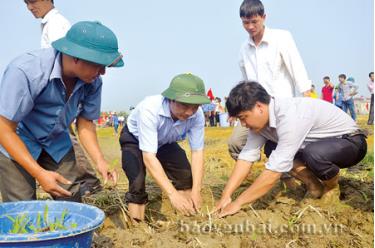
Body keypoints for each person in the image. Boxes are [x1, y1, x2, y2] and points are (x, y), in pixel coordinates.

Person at [0, 21, 123, 202]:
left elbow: (85, 123)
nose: (103, 72)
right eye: (99, 65)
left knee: (71, 198)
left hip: (57, 142)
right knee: (23, 208)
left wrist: (100, 161)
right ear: (76, 57)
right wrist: (39, 173)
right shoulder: (26, 71)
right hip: (18, 140)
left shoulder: (93, 82)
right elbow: (4, 128)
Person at [215, 82, 367, 217]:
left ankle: (331, 188)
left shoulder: (290, 116)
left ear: (259, 107)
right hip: (317, 146)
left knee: (313, 153)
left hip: (351, 143)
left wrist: (238, 203)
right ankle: (314, 186)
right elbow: (246, 158)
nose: (243, 124)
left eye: (243, 117)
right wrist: (226, 195)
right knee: (272, 147)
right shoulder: (260, 125)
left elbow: (274, 171)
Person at [229, 0, 312, 188]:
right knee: (235, 142)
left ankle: (291, 179)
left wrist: (307, 94)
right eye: (245, 23)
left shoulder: (281, 38)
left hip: (280, 108)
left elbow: (296, 66)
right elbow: (246, 83)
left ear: (264, 17)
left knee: (285, 148)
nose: (250, 27)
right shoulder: (244, 48)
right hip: (254, 110)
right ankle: (248, 176)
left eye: (254, 22)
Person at [119, 73, 210, 221]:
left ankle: (187, 217)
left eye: (195, 107)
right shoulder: (150, 109)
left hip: (165, 142)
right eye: (185, 105)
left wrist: (196, 191)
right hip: (135, 139)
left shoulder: (197, 115)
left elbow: (197, 152)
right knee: (137, 182)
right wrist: (172, 194)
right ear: (171, 99)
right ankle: (137, 228)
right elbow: (148, 157)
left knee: (185, 175)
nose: (189, 112)